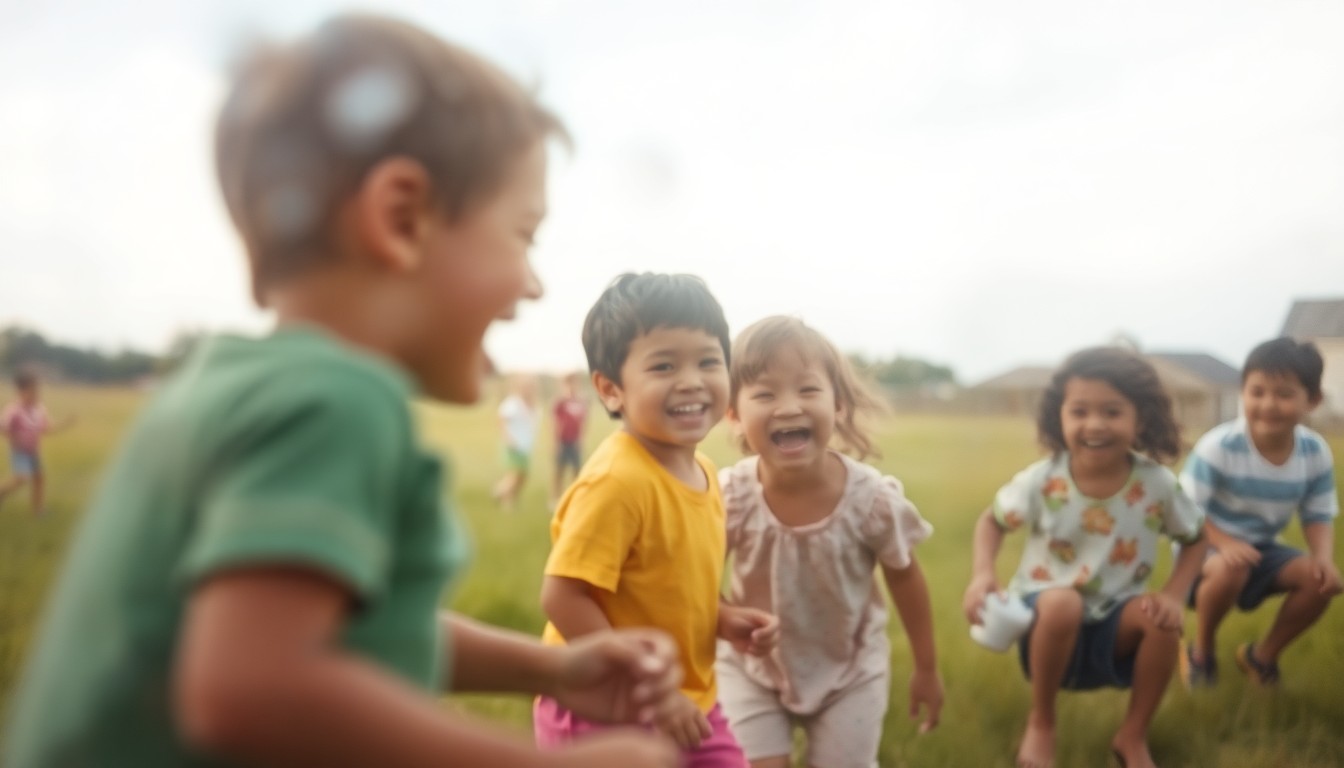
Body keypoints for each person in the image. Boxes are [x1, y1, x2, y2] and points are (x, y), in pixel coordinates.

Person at [3, 15, 685, 768]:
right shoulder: (336, 402)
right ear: (401, 219)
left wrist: (548, 668)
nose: (533, 283)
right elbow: (251, 687)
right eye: (523, 234)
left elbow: (342, 629)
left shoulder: (235, 382)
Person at [536, 272, 780, 767]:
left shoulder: (706, 473)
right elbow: (563, 595)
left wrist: (723, 618)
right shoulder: (618, 481)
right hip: (602, 705)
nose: (691, 380)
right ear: (610, 390)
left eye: (709, 361)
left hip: (691, 700)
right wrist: (650, 691)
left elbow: (670, 584)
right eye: (664, 365)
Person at [714, 316, 942, 768]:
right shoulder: (730, 497)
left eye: (808, 389)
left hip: (850, 672)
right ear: (734, 414)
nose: (788, 407)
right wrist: (725, 616)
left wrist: (927, 668)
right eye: (764, 393)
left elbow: (905, 577)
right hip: (751, 668)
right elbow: (694, 576)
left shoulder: (870, 500)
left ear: (838, 403)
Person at [962, 347, 1207, 768]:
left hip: (1116, 614)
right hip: (1045, 613)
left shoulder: (1156, 484)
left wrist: (1172, 594)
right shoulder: (1044, 479)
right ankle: (1042, 723)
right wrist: (982, 574)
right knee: (1063, 602)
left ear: (1140, 417)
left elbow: (1196, 539)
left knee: (1160, 623)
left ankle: (1132, 736)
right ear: (1060, 416)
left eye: (1112, 411)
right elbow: (992, 521)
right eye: (1080, 411)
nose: (1095, 424)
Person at [1179, 337, 1340, 688]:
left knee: (1321, 582)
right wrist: (1223, 543)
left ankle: (1262, 657)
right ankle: (1202, 651)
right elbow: (1185, 511)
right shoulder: (1219, 447)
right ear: (1242, 393)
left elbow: (1318, 512)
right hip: (1204, 547)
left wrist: (1323, 558)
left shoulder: (1314, 452)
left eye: (1283, 394)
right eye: (1257, 392)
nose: (1268, 404)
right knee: (1231, 566)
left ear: (1311, 400)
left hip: (1261, 547)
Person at [0, 369, 75, 517]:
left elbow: (47, 428)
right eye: (32, 390)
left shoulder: (39, 409)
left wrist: (65, 424)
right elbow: (3, 427)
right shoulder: (14, 410)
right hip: (20, 451)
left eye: (37, 390)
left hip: (33, 451)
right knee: (22, 478)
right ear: (21, 391)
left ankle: (38, 510)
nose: (36, 394)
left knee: (39, 478)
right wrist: (14, 439)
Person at [494, 374, 539, 511]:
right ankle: (505, 502)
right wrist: (508, 438)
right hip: (513, 445)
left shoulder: (532, 404)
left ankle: (499, 492)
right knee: (514, 475)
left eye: (530, 387)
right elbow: (501, 419)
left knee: (523, 477)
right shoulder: (513, 403)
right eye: (526, 387)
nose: (528, 389)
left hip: (525, 446)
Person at [550, 371, 588, 508]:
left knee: (576, 470)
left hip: (574, 441)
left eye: (575, 383)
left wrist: (581, 440)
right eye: (569, 383)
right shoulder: (560, 402)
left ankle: (575, 498)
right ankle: (555, 498)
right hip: (563, 441)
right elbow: (555, 423)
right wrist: (556, 442)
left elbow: (583, 422)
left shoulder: (581, 402)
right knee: (559, 470)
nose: (572, 386)